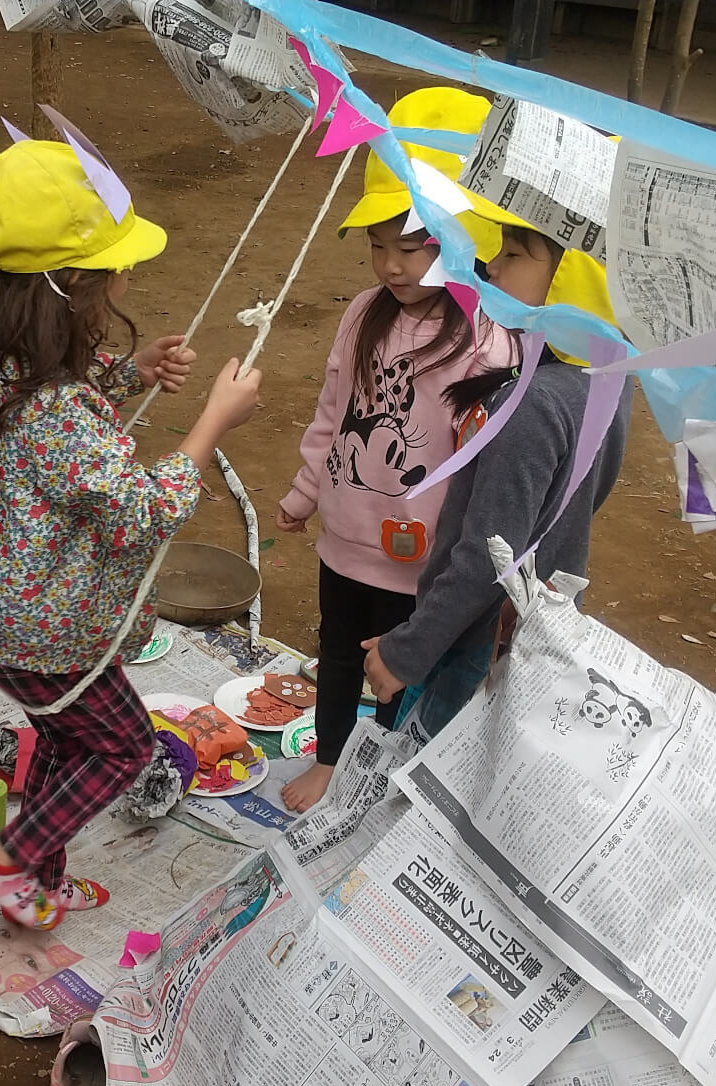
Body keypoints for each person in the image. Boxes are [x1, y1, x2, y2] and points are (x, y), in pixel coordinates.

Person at [0, 139, 263, 929]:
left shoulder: (6, 360)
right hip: (43, 631)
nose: (127, 279)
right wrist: (211, 422)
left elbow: (67, 403)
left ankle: (42, 880)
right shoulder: (54, 406)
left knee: (69, 740)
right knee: (124, 747)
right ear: (71, 287)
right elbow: (138, 513)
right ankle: (7, 862)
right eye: (116, 267)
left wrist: (135, 371)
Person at [276, 88, 517, 813]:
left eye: (410, 248)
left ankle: (378, 772)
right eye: (379, 246)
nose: (391, 266)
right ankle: (328, 758)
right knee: (340, 652)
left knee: (397, 670)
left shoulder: (486, 341)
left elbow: (485, 464)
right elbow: (333, 411)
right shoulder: (360, 316)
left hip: (422, 558)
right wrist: (304, 489)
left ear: (461, 238)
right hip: (344, 541)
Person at [365, 218, 630, 735]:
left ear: (572, 277)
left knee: (428, 763)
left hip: (475, 642)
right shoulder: (609, 377)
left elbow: (488, 557)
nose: (492, 268)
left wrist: (406, 651)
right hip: (538, 629)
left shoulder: (532, 403)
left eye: (512, 255)